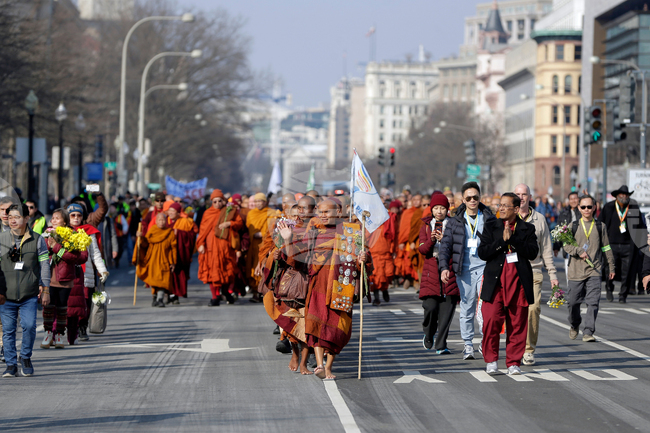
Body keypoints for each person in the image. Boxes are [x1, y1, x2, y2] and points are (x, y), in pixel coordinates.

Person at [283, 199, 368, 380]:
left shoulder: (350, 232)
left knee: (338, 329)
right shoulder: (314, 233)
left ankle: (329, 366)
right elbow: (298, 258)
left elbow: (364, 261)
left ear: (338, 211)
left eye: (326, 212)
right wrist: (288, 239)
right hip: (318, 286)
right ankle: (320, 365)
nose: (322, 215)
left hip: (342, 287)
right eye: (320, 212)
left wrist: (364, 258)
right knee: (316, 324)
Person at [477, 193, 538, 375]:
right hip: (495, 282)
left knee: (517, 323)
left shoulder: (527, 228)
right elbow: (483, 252)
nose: (501, 208)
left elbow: (532, 252)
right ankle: (491, 360)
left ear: (516, 209)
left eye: (505, 206)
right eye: (500, 205)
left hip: (518, 282)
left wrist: (513, 239)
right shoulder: (491, 226)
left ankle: (513, 362)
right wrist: (502, 242)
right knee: (491, 321)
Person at [440, 182, 495, 360]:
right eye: (469, 198)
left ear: (480, 198)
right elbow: (445, 247)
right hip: (464, 271)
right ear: (463, 200)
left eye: (475, 197)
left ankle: (485, 340)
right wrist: (444, 268)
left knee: (485, 308)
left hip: (485, 268)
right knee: (467, 307)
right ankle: (468, 344)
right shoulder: (455, 221)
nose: (472, 200)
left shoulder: (488, 218)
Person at [0, 203, 49, 377]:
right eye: (10, 217)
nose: (13, 220)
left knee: (29, 326)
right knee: (8, 330)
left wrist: (46, 289)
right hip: (6, 296)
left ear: (27, 218)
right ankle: (11, 364)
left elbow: (44, 265)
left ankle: (26, 357)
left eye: (17, 217)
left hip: (29, 294)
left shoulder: (37, 239)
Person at [514, 184, 559, 366]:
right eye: (517, 194)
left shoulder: (539, 219)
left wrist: (553, 275)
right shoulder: (508, 217)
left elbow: (547, 249)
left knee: (533, 309)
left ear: (530, 196)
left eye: (524, 194)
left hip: (534, 270)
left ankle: (529, 349)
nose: (521, 197)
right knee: (515, 312)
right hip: (513, 271)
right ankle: (514, 346)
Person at [563, 195, 616, 341]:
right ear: (579, 208)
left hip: (595, 270)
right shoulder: (573, 226)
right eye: (583, 207)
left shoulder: (600, 226)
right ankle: (575, 324)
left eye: (589, 207)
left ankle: (588, 331)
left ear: (595, 208)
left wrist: (611, 266)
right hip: (575, 271)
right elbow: (566, 246)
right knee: (573, 302)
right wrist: (578, 250)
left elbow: (606, 248)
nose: (587, 210)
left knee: (593, 301)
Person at [41, 208, 88, 349]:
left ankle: (60, 334)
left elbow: (74, 258)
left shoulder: (73, 235)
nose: (53, 221)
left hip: (65, 278)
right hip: (48, 277)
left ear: (65, 221)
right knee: (48, 307)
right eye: (52, 218)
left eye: (57, 218)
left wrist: (56, 248)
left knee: (62, 307)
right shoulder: (46, 234)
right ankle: (48, 333)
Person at [418, 193, 459, 353]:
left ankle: (441, 345)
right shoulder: (426, 227)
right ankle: (428, 334)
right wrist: (432, 240)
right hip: (431, 271)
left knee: (447, 311)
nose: (439, 211)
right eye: (436, 208)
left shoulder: (454, 225)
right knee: (430, 307)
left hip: (449, 270)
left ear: (447, 209)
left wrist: (445, 240)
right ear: (432, 209)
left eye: (442, 208)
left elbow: (458, 247)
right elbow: (422, 249)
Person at [66, 203, 109, 343]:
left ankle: (82, 327)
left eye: (79, 215)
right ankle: (68, 327)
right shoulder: (62, 232)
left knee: (85, 302)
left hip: (86, 273)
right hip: (68, 274)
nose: (76, 218)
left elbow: (95, 253)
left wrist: (102, 270)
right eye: (73, 215)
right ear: (68, 217)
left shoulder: (88, 231)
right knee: (69, 303)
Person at [598, 185, 646, 303]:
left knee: (627, 271)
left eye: (626, 195)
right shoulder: (609, 207)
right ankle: (609, 288)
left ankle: (622, 294)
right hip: (611, 244)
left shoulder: (633, 208)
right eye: (622, 195)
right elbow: (600, 224)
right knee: (609, 268)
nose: (624, 197)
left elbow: (640, 227)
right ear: (616, 196)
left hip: (628, 246)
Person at [196, 189, 243, 306]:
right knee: (213, 272)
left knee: (228, 271)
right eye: (215, 201)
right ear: (211, 202)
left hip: (226, 248)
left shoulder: (230, 212)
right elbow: (202, 231)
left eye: (219, 201)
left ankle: (226, 292)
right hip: (210, 248)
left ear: (224, 201)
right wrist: (200, 244)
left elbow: (239, 224)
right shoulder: (207, 213)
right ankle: (214, 297)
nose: (217, 204)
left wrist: (229, 223)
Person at [134, 213, 177, 307]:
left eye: (163, 220)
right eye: (159, 220)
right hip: (153, 260)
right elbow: (145, 244)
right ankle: (154, 297)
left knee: (163, 280)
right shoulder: (152, 231)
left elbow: (173, 247)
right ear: (156, 221)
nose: (161, 222)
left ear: (166, 221)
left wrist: (173, 262)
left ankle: (160, 299)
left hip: (165, 260)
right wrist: (140, 237)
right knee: (154, 280)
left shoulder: (169, 232)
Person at [167, 201, 197, 304]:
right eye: (169, 210)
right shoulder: (167, 223)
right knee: (169, 274)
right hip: (170, 253)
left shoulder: (185, 222)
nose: (170, 213)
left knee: (179, 274)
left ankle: (176, 295)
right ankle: (170, 294)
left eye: (173, 211)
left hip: (181, 254)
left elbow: (192, 235)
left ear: (179, 213)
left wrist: (179, 233)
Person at [245, 193, 273, 303]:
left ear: (265, 202)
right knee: (253, 267)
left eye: (260, 201)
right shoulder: (251, 213)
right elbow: (249, 227)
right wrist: (254, 234)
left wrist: (262, 234)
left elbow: (272, 228)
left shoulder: (271, 213)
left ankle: (265, 293)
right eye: (256, 201)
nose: (258, 203)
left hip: (266, 244)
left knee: (264, 267)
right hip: (254, 245)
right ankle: (256, 292)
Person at [554, 191, 581, 287]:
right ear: (568, 201)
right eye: (571, 199)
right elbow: (558, 229)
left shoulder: (583, 211)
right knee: (568, 272)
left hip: (581, 246)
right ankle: (571, 291)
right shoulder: (563, 214)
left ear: (579, 199)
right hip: (568, 247)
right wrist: (556, 247)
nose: (573, 200)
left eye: (575, 198)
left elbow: (592, 207)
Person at [397, 194, 423, 289]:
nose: (416, 202)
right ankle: (408, 278)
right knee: (408, 260)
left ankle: (417, 280)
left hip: (418, 241)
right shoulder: (407, 212)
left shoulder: (422, 212)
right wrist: (401, 241)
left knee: (418, 260)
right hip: (408, 241)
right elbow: (403, 228)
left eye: (418, 199)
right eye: (414, 200)